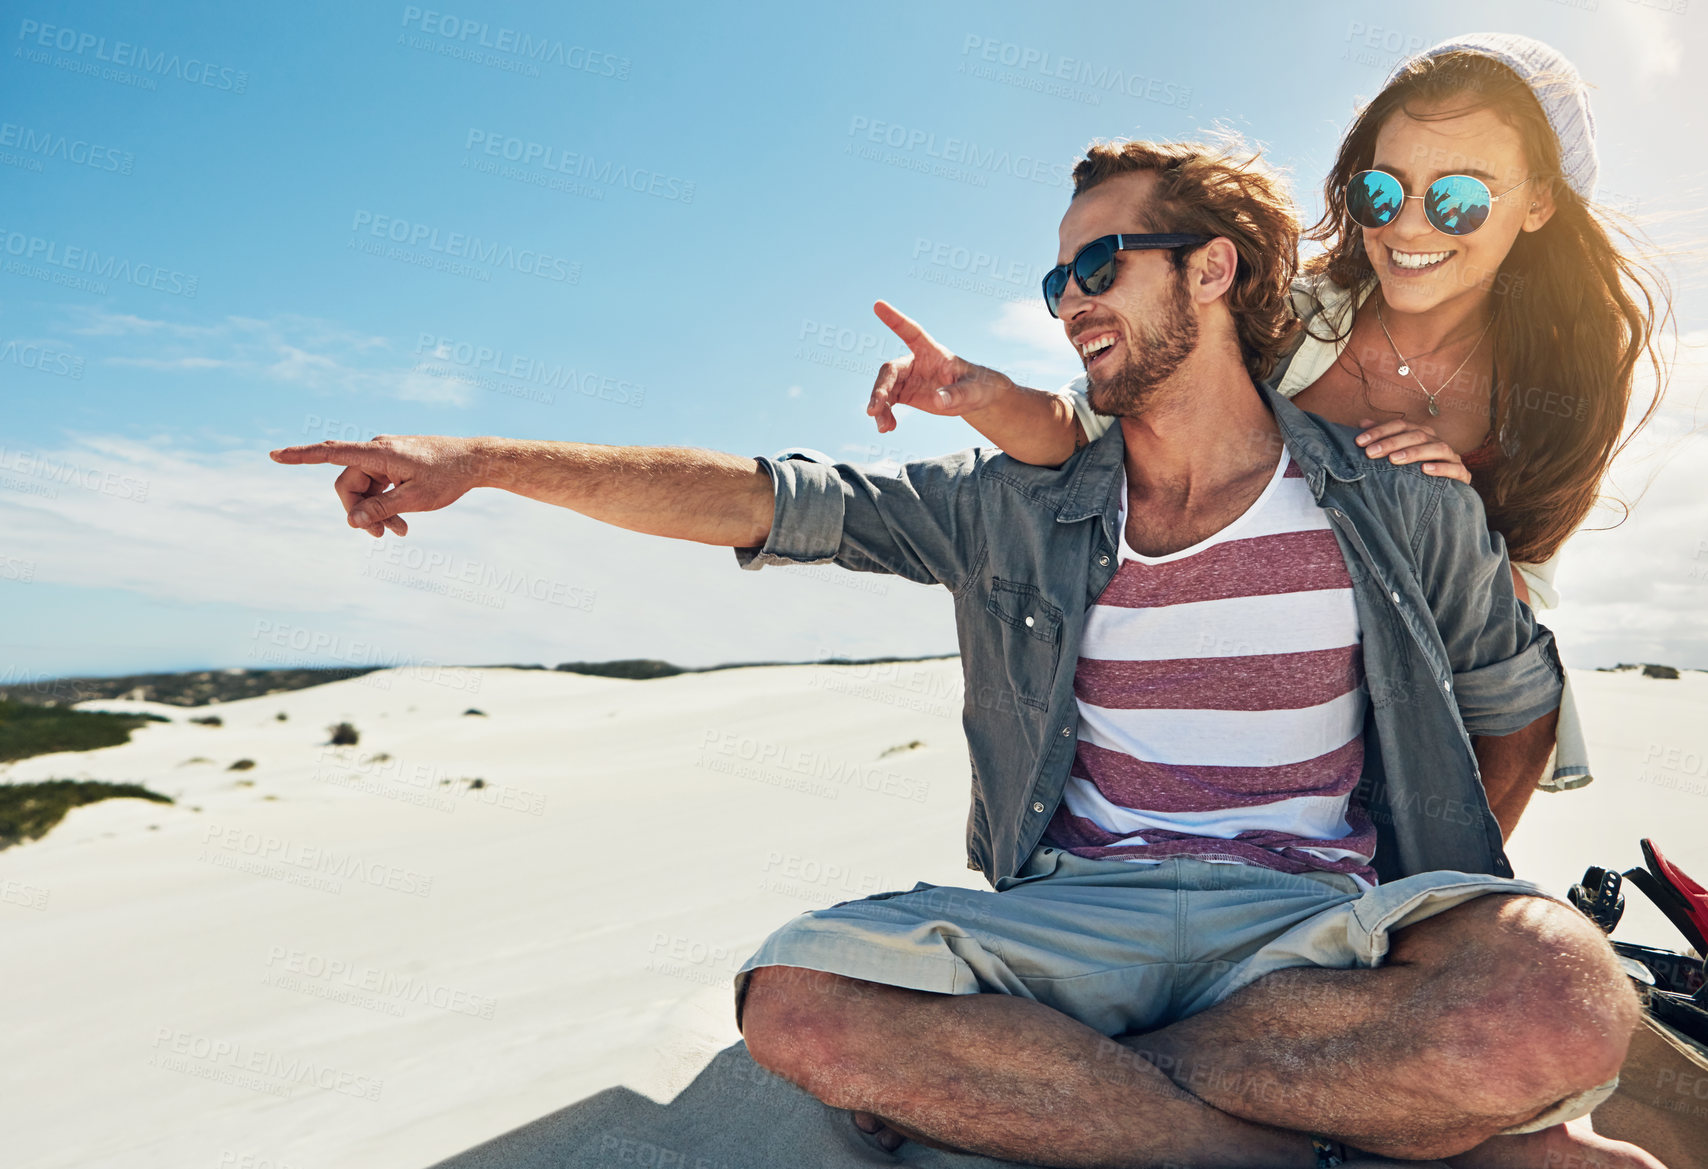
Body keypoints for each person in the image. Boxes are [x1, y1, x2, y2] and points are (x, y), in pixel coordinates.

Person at [270, 138, 1658, 1169]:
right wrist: (485, 462)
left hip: (1312, 926)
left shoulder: (1399, 499)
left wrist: (1442, 905)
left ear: (1215, 269)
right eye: (1058, 277)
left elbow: (1515, 704)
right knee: (801, 1004)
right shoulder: (1012, 504)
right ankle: (1291, 1144)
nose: (1067, 300)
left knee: (1565, 992)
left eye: (1099, 263)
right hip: (1070, 917)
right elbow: (764, 498)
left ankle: (1074, 1094)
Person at [867, 33, 1671, 839]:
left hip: (1423, 677)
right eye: (1382, 194)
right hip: (1267, 656)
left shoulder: (1559, 391)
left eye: (1460, 198)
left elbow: (1517, 602)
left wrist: (1441, 519)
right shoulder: (1290, 317)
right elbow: (1083, 433)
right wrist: (980, 393)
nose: (1409, 228)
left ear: (1539, 202)